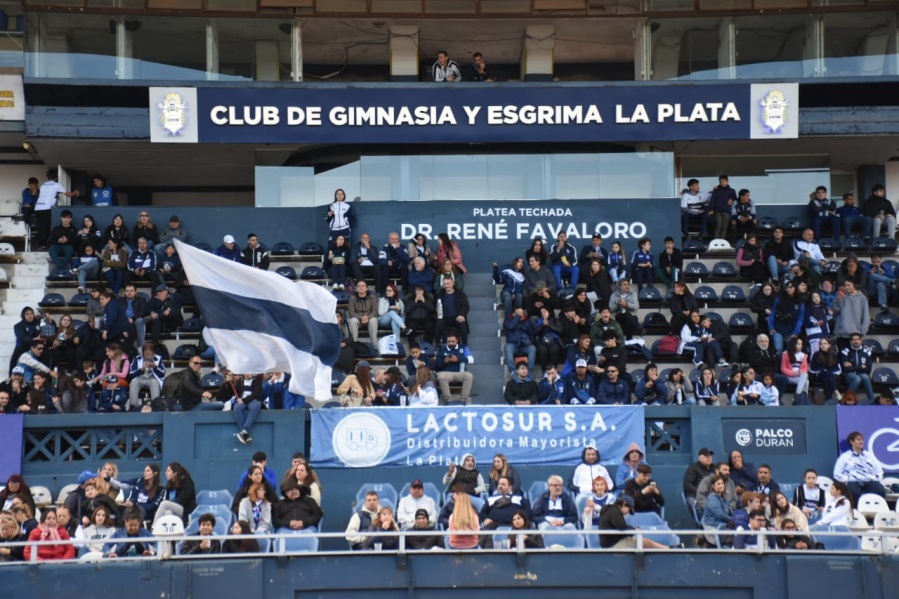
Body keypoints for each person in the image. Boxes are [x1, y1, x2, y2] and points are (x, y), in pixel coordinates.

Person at [597, 496, 667, 550]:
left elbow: (622, 526)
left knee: (643, 543)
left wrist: (634, 529)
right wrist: (635, 531)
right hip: (613, 545)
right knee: (645, 543)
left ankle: (665, 548)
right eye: (629, 510)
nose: (628, 512)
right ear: (624, 504)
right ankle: (666, 549)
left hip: (612, 543)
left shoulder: (612, 510)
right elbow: (622, 527)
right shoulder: (614, 512)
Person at [34, 169, 79, 250]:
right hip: (46, 208)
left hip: (37, 208)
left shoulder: (43, 185)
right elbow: (69, 195)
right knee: (46, 228)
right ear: (56, 178)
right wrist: (75, 193)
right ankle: (44, 246)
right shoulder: (56, 185)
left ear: (47, 177)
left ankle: (40, 245)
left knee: (40, 228)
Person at [833, 431, 887, 499]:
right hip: (852, 481)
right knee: (853, 492)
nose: (861, 442)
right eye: (858, 439)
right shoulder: (844, 457)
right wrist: (848, 479)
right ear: (852, 442)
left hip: (869, 480)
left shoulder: (870, 456)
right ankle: (855, 509)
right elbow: (836, 474)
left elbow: (879, 471)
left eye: (862, 439)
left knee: (879, 490)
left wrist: (874, 478)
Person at [479, 476, 530, 546]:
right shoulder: (491, 499)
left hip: (514, 524)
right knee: (484, 534)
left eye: (503, 484)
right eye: (499, 484)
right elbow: (483, 512)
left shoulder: (519, 498)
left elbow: (528, 510)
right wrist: (485, 519)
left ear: (510, 487)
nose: (500, 486)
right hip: (494, 524)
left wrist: (522, 520)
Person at [435, 333, 474, 404]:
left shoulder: (463, 347)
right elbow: (437, 366)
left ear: (457, 340)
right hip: (446, 373)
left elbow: (471, 360)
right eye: (449, 342)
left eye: (453, 341)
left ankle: (463, 399)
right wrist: (445, 361)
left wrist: (458, 359)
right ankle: (448, 400)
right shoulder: (442, 350)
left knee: (469, 376)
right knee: (441, 376)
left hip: (460, 373)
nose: (451, 343)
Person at [154, 462, 197, 526]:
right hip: (174, 509)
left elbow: (182, 500)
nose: (166, 473)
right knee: (167, 512)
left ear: (175, 473)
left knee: (165, 503)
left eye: (168, 471)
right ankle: (170, 532)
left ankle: (154, 526)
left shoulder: (187, 483)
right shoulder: (170, 484)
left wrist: (169, 503)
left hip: (185, 510)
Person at [768, 281, 805, 354]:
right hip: (778, 328)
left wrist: (796, 332)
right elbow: (773, 313)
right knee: (778, 349)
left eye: (791, 287)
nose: (788, 289)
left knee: (791, 351)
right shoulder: (780, 299)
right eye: (787, 287)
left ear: (795, 288)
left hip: (791, 329)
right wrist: (771, 327)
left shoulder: (799, 301)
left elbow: (800, 318)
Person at [841, 333, 874, 404]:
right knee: (857, 379)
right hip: (849, 375)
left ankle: (872, 401)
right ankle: (846, 400)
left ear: (861, 341)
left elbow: (868, 369)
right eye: (854, 340)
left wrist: (852, 367)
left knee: (865, 377)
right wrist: (861, 367)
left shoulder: (867, 351)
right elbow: (845, 369)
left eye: (858, 339)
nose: (856, 341)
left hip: (862, 374)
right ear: (850, 342)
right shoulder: (845, 351)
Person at [701, 475, 734, 545]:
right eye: (718, 484)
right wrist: (733, 520)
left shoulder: (722, 498)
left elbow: (726, 512)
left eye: (722, 483)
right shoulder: (712, 498)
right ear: (713, 486)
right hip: (713, 526)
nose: (721, 485)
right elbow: (720, 515)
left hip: (721, 525)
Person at [708, 175, 737, 240]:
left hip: (726, 211)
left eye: (724, 181)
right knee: (718, 226)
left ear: (727, 181)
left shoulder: (731, 191)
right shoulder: (716, 190)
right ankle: (716, 240)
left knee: (724, 227)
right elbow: (712, 200)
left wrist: (731, 199)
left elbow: (735, 198)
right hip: (717, 211)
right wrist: (711, 209)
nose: (722, 183)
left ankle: (722, 240)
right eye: (721, 181)